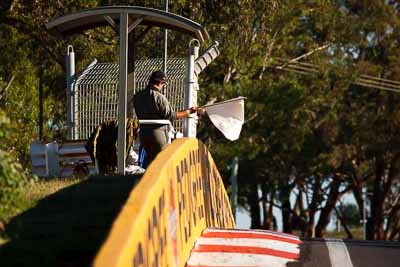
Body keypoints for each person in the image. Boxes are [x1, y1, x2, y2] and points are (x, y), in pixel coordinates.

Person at [133, 70, 198, 165]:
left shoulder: (137, 96)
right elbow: (171, 115)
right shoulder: (159, 97)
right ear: (160, 82)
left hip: (143, 133)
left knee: (151, 163)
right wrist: (189, 111)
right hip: (157, 133)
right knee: (163, 163)